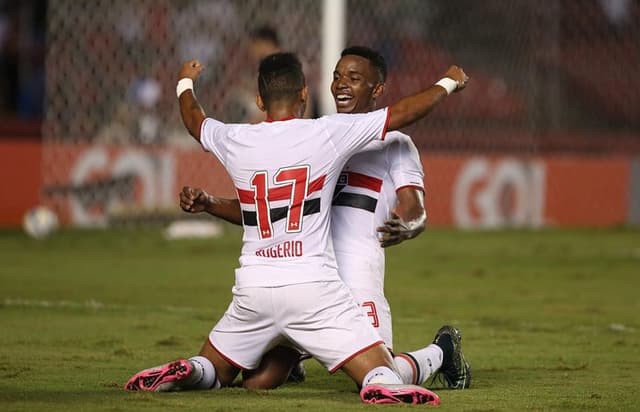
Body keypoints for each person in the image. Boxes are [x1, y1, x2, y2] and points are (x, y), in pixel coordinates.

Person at [125, 52, 468, 404]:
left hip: (316, 281)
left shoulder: (384, 143)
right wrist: (449, 82)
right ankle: (393, 368)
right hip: (317, 287)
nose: (341, 84)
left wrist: (184, 81)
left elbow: (196, 121)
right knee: (369, 374)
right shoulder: (325, 134)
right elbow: (405, 112)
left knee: (246, 376)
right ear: (305, 94)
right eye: (337, 76)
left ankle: (201, 369)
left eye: (353, 77)